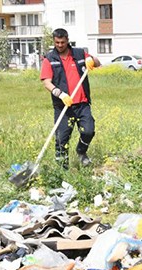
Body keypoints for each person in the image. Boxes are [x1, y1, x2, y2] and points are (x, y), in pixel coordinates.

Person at [40, 28, 101, 169]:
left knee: (88, 131)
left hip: (82, 104)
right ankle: (62, 170)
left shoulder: (79, 53)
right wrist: (60, 94)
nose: (60, 45)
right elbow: (46, 82)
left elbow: (97, 63)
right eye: (57, 42)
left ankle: (81, 151)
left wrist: (92, 60)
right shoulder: (49, 59)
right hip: (63, 106)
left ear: (67, 40)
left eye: (62, 42)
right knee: (62, 139)